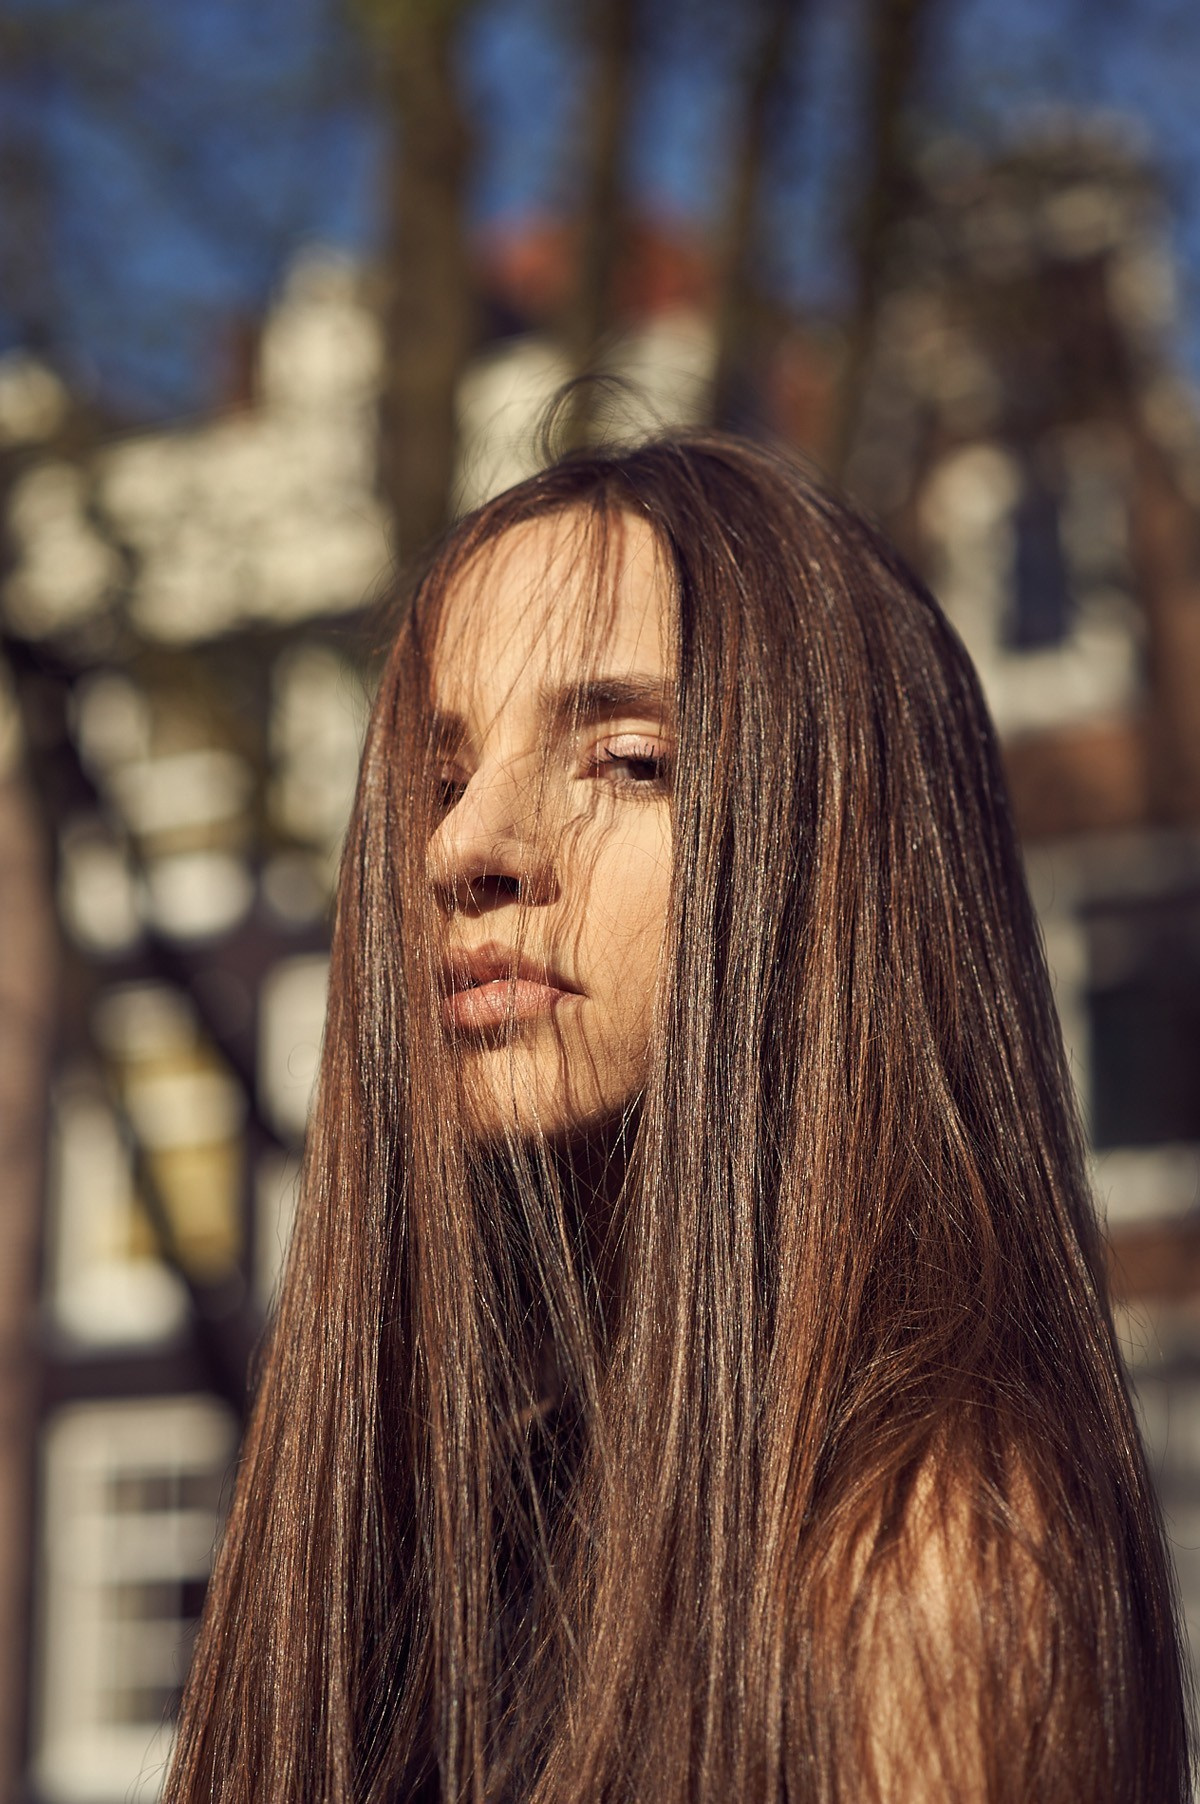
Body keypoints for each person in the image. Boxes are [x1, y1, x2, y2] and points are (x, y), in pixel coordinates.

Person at [164, 431, 1193, 1803]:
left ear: (843, 860)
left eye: (631, 759)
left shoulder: (930, 1565)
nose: (465, 847)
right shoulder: (440, 1533)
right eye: (440, 775)